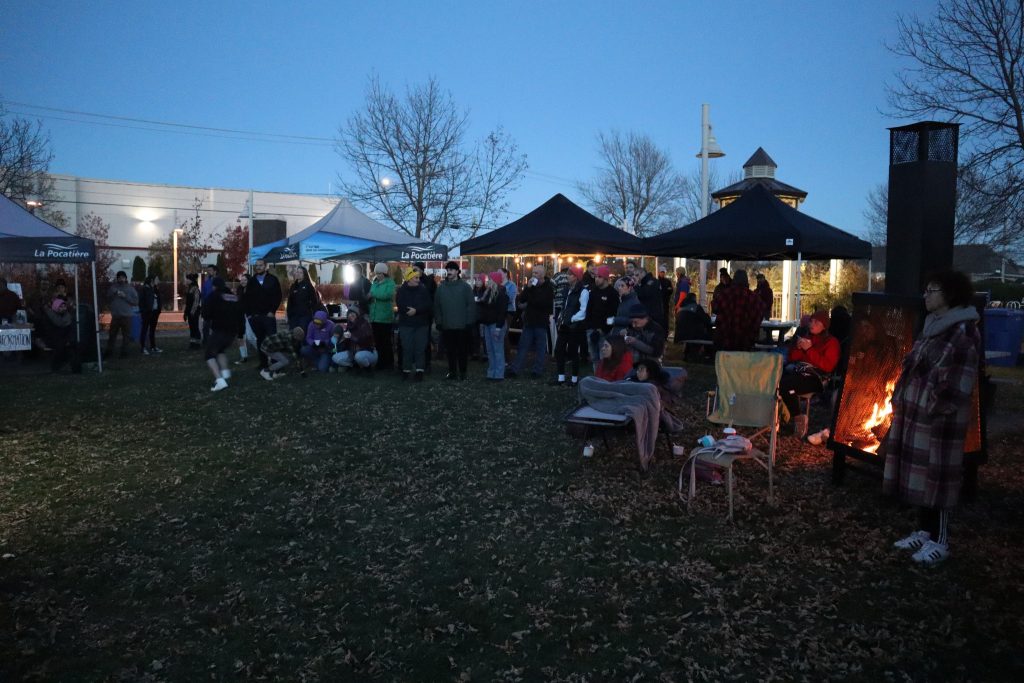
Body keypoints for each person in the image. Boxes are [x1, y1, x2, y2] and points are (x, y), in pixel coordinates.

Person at [884, 271, 981, 567]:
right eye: (925, 290)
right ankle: (924, 531)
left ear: (950, 294)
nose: (926, 295)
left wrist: (933, 406)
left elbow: (958, 384)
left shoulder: (963, 332)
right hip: (918, 416)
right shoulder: (933, 326)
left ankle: (941, 540)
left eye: (932, 290)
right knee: (923, 476)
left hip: (940, 422)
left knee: (938, 477)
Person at [779, 309, 840, 438]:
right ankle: (782, 416)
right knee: (778, 381)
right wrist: (798, 348)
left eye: (817, 322)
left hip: (817, 377)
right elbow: (792, 358)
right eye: (811, 321)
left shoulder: (831, 342)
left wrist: (809, 350)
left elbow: (828, 366)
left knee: (786, 385)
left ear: (824, 326)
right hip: (800, 372)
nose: (812, 324)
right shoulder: (807, 338)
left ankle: (797, 417)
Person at [507, 264, 554, 379]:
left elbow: (542, 303)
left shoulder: (549, 287)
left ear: (542, 275)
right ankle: (515, 369)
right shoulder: (531, 286)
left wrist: (530, 300)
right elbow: (521, 299)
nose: (533, 275)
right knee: (523, 346)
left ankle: (537, 371)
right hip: (529, 321)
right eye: (533, 272)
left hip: (541, 322)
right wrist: (528, 288)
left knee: (540, 348)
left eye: (536, 273)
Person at [434, 260, 476, 380]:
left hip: (462, 325)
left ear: (457, 271)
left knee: (462, 350)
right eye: (447, 270)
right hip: (447, 325)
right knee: (450, 350)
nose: (449, 272)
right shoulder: (441, 288)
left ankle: (463, 372)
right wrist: (439, 321)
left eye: (451, 270)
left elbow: (471, 305)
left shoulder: (465, 287)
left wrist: (469, 322)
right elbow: (437, 306)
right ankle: (452, 371)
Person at [202, 277, 243, 392]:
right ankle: (225, 374)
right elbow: (240, 313)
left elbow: (206, 313)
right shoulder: (233, 297)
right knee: (220, 350)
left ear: (214, 286)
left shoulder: (214, 296)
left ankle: (220, 381)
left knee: (209, 355)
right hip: (233, 331)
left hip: (219, 329)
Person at [552, 266, 589, 386]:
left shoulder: (583, 291)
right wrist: (561, 318)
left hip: (575, 326)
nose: (567, 276)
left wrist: (571, 318)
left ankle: (574, 379)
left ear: (576, 277)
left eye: (570, 274)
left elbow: (583, 310)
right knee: (559, 350)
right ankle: (561, 377)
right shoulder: (567, 290)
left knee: (573, 352)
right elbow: (565, 306)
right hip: (565, 325)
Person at [245, 259, 283, 373]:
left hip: (268, 316)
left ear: (265, 266)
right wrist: (250, 315)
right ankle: (263, 363)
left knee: (272, 340)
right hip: (256, 317)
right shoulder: (252, 281)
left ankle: (277, 363)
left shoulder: (272, 279)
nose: (258, 267)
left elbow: (278, 296)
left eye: (260, 265)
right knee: (260, 340)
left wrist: (272, 311)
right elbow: (247, 298)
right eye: (256, 265)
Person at [712, 270, 763, 353]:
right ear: (746, 281)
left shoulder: (724, 294)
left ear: (734, 280)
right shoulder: (754, 297)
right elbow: (760, 314)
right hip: (746, 340)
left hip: (726, 338)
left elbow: (715, 308)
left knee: (725, 360)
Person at [396, 268, 433, 381]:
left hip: (421, 324)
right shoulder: (402, 291)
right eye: (416, 278)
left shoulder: (423, 290)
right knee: (407, 347)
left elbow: (428, 304)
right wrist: (408, 311)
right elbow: (400, 304)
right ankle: (406, 370)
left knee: (420, 348)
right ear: (409, 278)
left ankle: (419, 371)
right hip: (406, 324)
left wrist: (416, 311)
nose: (418, 279)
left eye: (418, 277)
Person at [584, 265, 620, 371]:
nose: (596, 279)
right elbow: (589, 310)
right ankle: (597, 376)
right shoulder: (593, 291)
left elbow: (613, 314)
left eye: (599, 277)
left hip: (604, 332)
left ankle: (604, 378)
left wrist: (603, 329)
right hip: (591, 330)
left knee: (603, 358)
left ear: (605, 278)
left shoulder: (613, 293)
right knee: (594, 357)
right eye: (595, 276)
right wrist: (589, 327)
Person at [477, 271, 509, 381]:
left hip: (496, 325)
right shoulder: (488, 293)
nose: (487, 281)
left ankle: (499, 373)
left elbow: (502, 313)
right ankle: (491, 372)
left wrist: (498, 328)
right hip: (488, 324)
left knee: (497, 349)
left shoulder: (501, 295)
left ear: (494, 281)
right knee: (490, 350)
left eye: (490, 279)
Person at [368, 262, 396, 370]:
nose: (378, 275)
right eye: (377, 273)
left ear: (384, 273)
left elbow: (387, 295)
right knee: (378, 342)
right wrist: (369, 298)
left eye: (380, 273)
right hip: (374, 316)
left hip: (385, 317)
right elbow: (371, 294)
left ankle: (389, 363)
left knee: (386, 342)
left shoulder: (390, 283)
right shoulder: (374, 283)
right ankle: (380, 362)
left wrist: (373, 295)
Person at [332, 305, 377, 372]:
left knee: (358, 356)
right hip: (353, 352)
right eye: (348, 314)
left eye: (352, 313)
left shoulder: (364, 324)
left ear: (357, 313)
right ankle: (353, 366)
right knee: (335, 358)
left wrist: (352, 337)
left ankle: (368, 367)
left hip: (368, 352)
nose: (350, 315)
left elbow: (366, 341)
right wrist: (343, 339)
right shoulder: (349, 326)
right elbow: (347, 345)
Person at [106, 270, 138, 359]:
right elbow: (108, 298)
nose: (121, 279)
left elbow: (135, 302)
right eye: (119, 277)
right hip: (116, 316)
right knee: (112, 335)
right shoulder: (113, 288)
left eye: (123, 277)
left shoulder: (130, 289)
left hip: (127, 316)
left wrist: (125, 296)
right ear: (117, 279)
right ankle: (109, 351)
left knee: (126, 336)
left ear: (126, 278)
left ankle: (124, 352)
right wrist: (114, 293)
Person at [412, 262, 437, 368]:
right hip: (414, 314)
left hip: (425, 315)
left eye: (416, 269)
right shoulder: (412, 279)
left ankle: (426, 363)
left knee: (425, 339)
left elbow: (433, 298)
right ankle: (416, 361)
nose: (414, 271)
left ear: (421, 270)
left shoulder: (429, 281)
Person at [674, 292, 713, 360]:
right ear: (694, 299)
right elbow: (707, 321)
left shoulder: (680, 308)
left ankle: (688, 352)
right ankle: (708, 354)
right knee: (710, 332)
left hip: (679, 335)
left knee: (691, 328)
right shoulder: (696, 307)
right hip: (693, 335)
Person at [45, 298, 79, 373]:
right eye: (61, 307)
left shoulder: (67, 316)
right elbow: (49, 331)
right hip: (52, 338)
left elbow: (69, 330)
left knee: (73, 345)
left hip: (64, 338)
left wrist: (68, 339)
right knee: (60, 346)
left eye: (64, 306)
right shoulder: (50, 316)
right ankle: (56, 367)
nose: (63, 308)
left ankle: (73, 366)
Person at [631, 260, 666, 329]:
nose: (635, 277)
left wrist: (635, 285)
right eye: (634, 275)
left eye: (637, 275)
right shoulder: (645, 283)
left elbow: (643, 294)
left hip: (653, 315)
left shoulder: (652, 282)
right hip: (649, 314)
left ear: (643, 273)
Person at [286, 265, 320, 333]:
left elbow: (315, 302)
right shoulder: (293, 286)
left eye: (300, 272)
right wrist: (288, 315)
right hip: (294, 317)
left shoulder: (309, 286)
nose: (298, 274)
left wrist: (312, 314)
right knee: (293, 335)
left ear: (304, 274)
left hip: (305, 317)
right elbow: (289, 302)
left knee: (302, 334)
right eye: (297, 272)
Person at [138, 275, 163, 355]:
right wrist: (144, 311)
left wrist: (158, 309)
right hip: (147, 313)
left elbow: (158, 299)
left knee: (152, 330)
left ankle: (153, 346)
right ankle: (143, 348)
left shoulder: (155, 289)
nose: (158, 280)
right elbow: (141, 301)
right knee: (144, 330)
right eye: (157, 279)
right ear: (152, 280)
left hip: (155, 312)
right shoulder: (145, 289)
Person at [233, 274, 254, 365]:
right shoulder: (239, 289)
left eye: (245, 280)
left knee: (251, 337)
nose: (243, 281)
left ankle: (266, 354)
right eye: (242, 280)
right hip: (239, 315)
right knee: (240, 337)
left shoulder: (252, 290)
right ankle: (243, 357)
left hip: (248, 316)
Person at [499, 267, 517, 359]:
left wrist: (500, 298)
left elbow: (511, 298)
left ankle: (507, 356)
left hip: (509, 311)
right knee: (500, 334)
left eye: (500, 272)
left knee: (504, 334)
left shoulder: (512, 285)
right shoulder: (498, 284)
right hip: (500, 311)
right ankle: (501, 355)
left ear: (505, 274)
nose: (498, 274)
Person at [200, 263, 218, 342]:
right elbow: (203, 294)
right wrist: (203, 304)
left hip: (216, 307)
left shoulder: (219, 281)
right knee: (206, 325)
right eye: (208, 271)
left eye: (210, 270)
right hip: (207, 307)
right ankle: (205, 341)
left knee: (216, 325)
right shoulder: (206, 282)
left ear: (215, 271)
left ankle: (216, 341)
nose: (208, 272)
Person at [184, 273, 202, 349]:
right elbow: (187, 302)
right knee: (192, 328)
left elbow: (196, 301)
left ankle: (197, 344)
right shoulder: (189, 288)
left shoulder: (195, 289)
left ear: (191, 280)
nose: (186, 280)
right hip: (190, 311)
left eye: (187, 279)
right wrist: (186, 313)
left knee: (195, 327)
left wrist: (192, 312)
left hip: (194, 312)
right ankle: (192, 343)